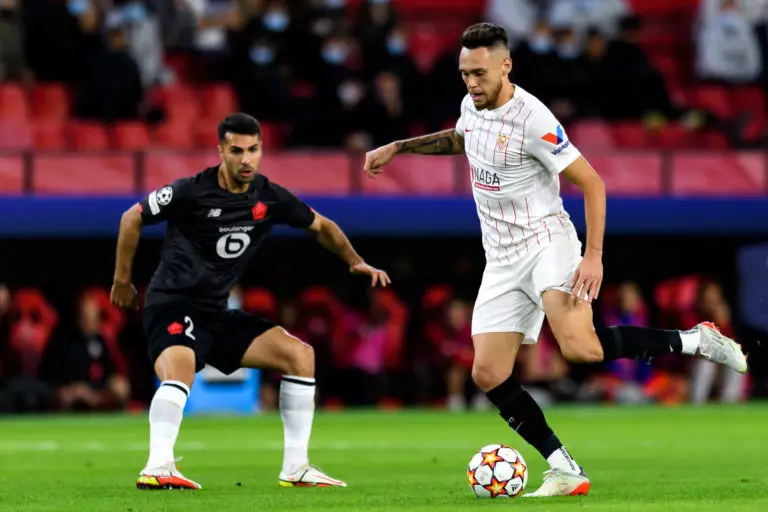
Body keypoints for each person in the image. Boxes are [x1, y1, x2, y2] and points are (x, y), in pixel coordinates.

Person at [363, 22, 747, 498]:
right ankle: (565, 468)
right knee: (487, 373)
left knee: (580, 348)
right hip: (501, 258)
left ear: (506, 65)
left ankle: (695, 340)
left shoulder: (534, 120)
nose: (472, 83)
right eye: (465, 74)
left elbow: (593, 184)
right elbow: (462, 138)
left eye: (480, 73)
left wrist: (594, 256)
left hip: (547, 242)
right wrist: (399, 147)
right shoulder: (470, 105)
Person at [111, 113, 390, 490]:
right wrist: (122, 280)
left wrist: (354, 260)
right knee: (181, 371)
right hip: (173, 304)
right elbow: (132, 217)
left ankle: (296, 468)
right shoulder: (190, 192)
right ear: (220, 151)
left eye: (253, 150)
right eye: (237, 151)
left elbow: (322, 226)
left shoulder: (269, 197)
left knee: (299, 356)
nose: (246, 159)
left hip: (215, 312)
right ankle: (157, 466)